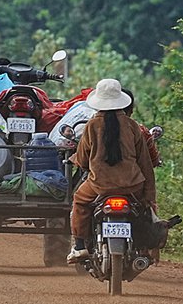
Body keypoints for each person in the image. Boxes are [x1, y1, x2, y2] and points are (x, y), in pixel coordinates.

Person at [66, 78, 156, 263]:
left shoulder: (92, 125)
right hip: (132, 186)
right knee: (143, 210)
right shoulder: (132, 126)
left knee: (80, 201)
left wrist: (82, 163)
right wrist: (149, 195)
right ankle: (144, 248)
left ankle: (80, 247)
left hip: (100, 185)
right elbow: (145, 163)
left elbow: (82, 159)